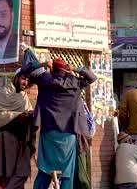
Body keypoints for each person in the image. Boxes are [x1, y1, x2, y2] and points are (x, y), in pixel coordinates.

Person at [26, 57, 97, 189]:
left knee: (44, 170)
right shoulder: (75, 82)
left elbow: (26, 70)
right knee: (66, 173)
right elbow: (92, 77)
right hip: (68, 134)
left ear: (53, 69)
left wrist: (42, 64)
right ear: (66, 70)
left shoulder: (44, 80)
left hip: (48, 133)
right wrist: (75, 69)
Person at [0, 72, 36, 189]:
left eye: (27, 80)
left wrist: (30, 115)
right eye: (23, 79)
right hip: (9, 137)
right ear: (16, 78)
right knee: (10, 171)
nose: (25, 82)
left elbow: (29, 111)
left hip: (24, 138)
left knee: (23, 171)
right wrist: (19, 115)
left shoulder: (23, 95)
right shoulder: (5, 93)